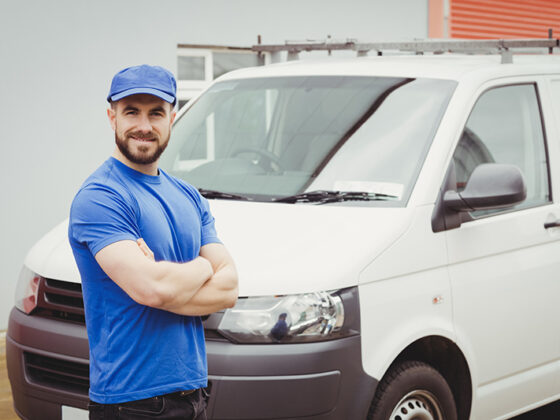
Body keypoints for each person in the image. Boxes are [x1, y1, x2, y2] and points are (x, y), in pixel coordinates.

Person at [68, 64, 238, 420]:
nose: (144, 126)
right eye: (132, 111)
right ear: (112, 116)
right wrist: (205, 267)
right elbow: (153, 290)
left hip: (194, 396)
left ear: (172, 118)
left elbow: (229, 290)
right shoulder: (101, 196)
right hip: (132, 403)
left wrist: (167, 282)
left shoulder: (189, 196)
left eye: (156, 113)